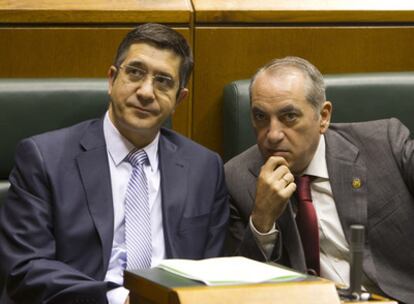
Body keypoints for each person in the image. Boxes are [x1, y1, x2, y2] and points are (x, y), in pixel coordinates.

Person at [0, 23, 228, 304]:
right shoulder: (43, 158)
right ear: (111, 79)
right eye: (135, 73)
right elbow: (26, 268)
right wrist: (121, 299)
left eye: (163, 81)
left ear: (179, 99)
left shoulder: (205, 167)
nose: (146, 91)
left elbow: (212, 272)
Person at [225, 56, 414, 304]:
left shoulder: (385, 144)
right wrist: (262, 220)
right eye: (260, 117)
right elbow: (240, 288)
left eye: (289, 116)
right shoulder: (237, 178)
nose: (272, 135)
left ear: (323, 116)